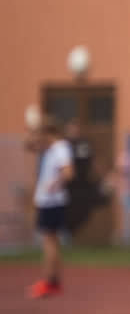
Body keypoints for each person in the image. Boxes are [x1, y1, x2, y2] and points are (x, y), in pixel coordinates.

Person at [27, 117, 73, 299]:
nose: (39, 139)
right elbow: (29, 146)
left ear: (48, 133)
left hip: (52, 201)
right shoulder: (51, 149)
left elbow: (68, 172)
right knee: (52, 241)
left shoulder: (60, 148)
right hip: (48, 201)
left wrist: (55, 183)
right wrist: (31, 132)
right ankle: (54, 281)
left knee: (49, 241)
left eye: (40, 135)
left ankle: (49, 281)